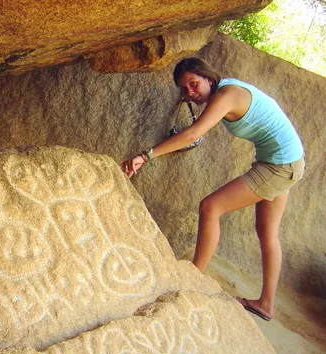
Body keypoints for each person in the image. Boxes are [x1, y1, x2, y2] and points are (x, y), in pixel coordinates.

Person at [121, 57, 305, 321]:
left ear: (208, 77)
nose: (190, 92)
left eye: (193, 84)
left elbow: (193, 134)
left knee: (211, 207)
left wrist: (145, 156)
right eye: (184, 89)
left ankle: (193, 280)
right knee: (267, 233)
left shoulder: (228, 94)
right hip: (287, 160)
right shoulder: (225, 90)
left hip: (279, 165)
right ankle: (265, 305)